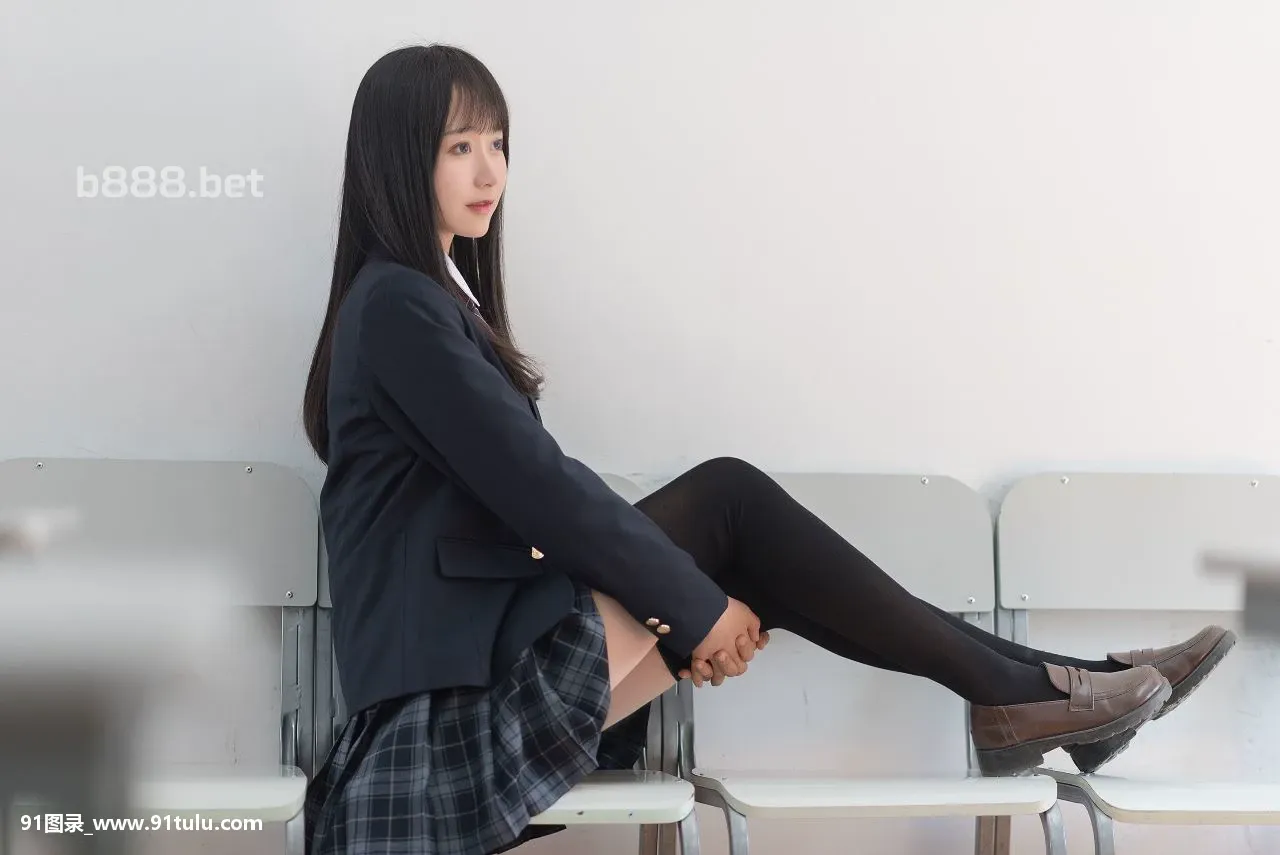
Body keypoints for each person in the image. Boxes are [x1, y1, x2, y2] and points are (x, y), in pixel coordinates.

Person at [299, 43, 1236, 855]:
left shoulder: (428, 299)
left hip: (482, 663)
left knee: (750, 542)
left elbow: (522, 499)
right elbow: (538, 490)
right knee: (728, 502)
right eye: (459, 146)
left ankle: (1045, 688)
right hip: (445, 710)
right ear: (398, 161)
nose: (490, 170)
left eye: (498, 142)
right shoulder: (400, 305)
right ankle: (1037, 691)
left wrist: (693, 611)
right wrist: (692, 610)